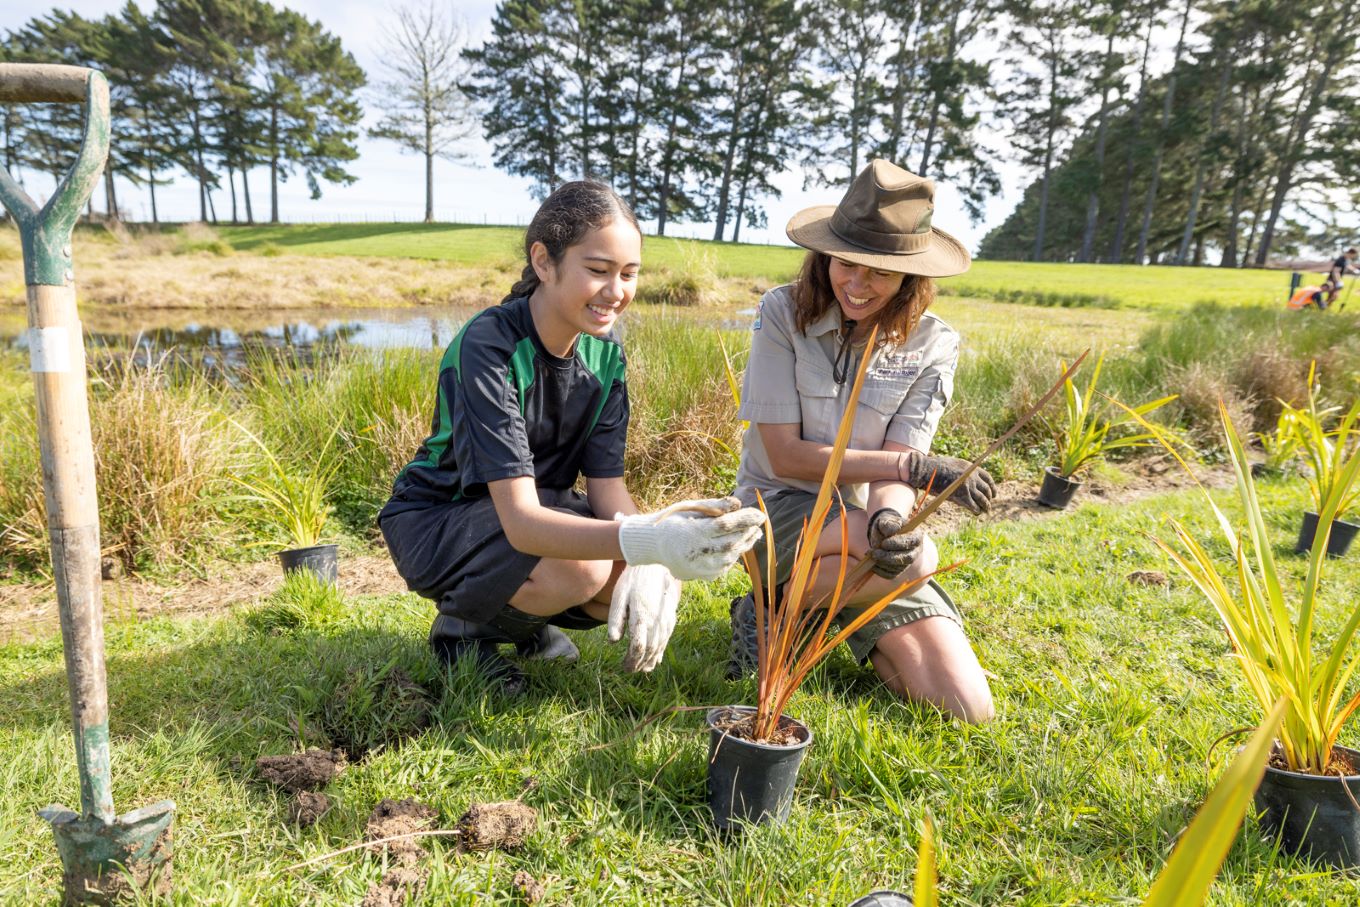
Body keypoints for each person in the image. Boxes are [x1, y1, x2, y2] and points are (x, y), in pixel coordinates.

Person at [379, 180, 763, 694]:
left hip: (540, 513)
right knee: (585, 569)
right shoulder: (488, 345)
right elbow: (519, 521)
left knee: (625, 574)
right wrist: (650, 539)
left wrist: (653, 556)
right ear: (544, 261)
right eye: (598, 270)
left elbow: (608, 491)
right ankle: (463, 632)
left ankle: (525, 625)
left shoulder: (606, 359)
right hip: (440, 520)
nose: (617, 291)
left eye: (629, 274)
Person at [726, 159, 997, 724]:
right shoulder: (782, 313)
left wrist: (885, 524)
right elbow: (787, 455)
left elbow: (895, 466)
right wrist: (919, 472)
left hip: (858, 527)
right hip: (773, 512)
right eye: (846, 264)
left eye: (879, 272)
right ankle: (777, 600)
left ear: (910, 278)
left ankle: (785, 612)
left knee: (965, 708)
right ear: (825, 258)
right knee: (920, 559)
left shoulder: (933, 345)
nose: (857, 284)